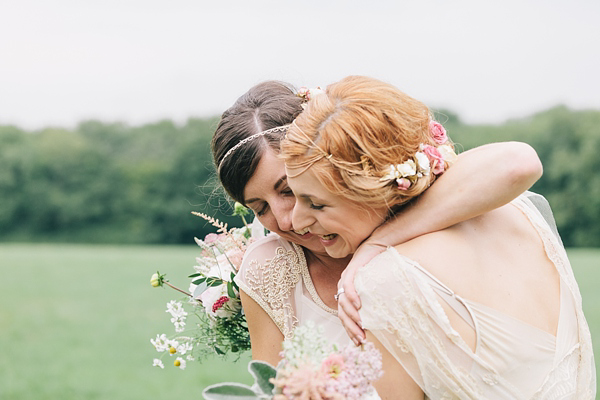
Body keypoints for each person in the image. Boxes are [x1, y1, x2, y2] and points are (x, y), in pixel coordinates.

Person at [281, 75, 596, 399]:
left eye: (316, 203)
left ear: (374, 190)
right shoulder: (521, 215)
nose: (296, 219)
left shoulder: (386, 282)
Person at [212, 81, 543, 366]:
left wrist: (378, 242)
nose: (287, 219)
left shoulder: (434, 222)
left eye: (289, 190)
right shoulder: (270, 271)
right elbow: (270, 388)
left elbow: (518, 163)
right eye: (259, 208)